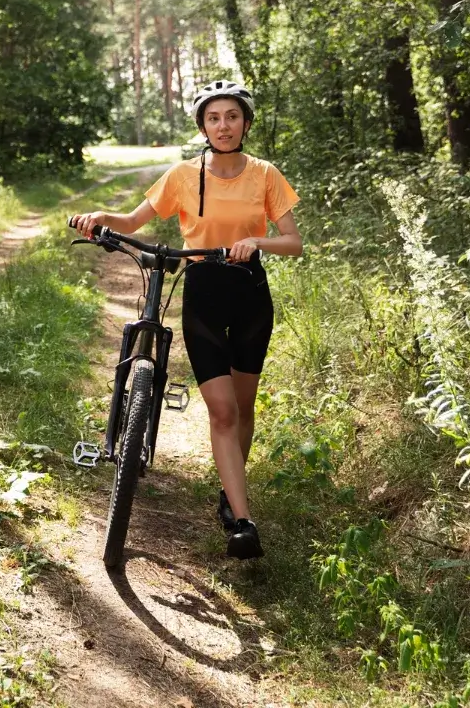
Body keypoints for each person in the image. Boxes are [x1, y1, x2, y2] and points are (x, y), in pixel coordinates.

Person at [72, 80, 302, 559]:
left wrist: (256, 242)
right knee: (221, 411)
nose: (224, 125)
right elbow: (134, 221)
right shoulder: (182, 175)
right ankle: (242, 522)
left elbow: (293, 242)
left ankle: (229, 487)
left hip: (250, 293)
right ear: (203, 125)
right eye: (214, 118)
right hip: (202, 291)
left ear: (245, 123)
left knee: (242, 407)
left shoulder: (265, 175)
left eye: (232, 117)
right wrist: (99, 217)